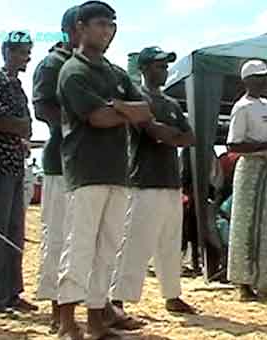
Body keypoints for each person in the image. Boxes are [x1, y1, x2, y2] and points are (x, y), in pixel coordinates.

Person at [55, 2, 153, 339]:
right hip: (86, 170)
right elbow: (97, 118)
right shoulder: (73, 70)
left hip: (116, 171)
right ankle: (67, 322)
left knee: (107, 250)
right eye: (100, 24)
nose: (107, 31)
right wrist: (124, 109)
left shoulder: (114, 72)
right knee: (80, 246)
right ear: (81, 27)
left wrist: (118, 108)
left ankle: (97, 322)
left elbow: (146, 111)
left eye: (111, 25)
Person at [110, 46, 197, 318]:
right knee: (136, 242)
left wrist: (165, 133)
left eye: (165, 66)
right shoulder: (138, 98)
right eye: (159, 66)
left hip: (170, 181)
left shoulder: (170, 103)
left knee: (170, 243)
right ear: (145, 68)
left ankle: (172, 295)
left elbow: (188, 137)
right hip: (143, 180)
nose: (164, 70)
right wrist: (166, 134)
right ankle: (117, 298)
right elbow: (151, 131)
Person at [0, 30, 37, 314]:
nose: (27, 56)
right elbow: (6, 123)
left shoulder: (16, 86)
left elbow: (25, 125)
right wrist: (20, 126)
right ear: (8, 52)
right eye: (23, 51)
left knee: (14, 232)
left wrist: (21, 127)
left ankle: (11, 293)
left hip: (14, 164)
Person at [226, 59, 267, 300]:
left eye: (266, 76)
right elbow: (233, 144)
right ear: (248, 80)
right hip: (250, 168)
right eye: (260, 77)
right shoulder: (241, 107)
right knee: (247, 225)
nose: (265, 81)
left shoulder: (266, 105)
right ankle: (243, 284)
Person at [32, 5, 79, 332]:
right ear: (76, 28)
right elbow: (43, 109)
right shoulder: (52, 64)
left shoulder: (86, 65)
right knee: (59, 237)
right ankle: (56, 311)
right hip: (61, 161)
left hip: (88, 164)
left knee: (82, 240)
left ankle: (86, 308)